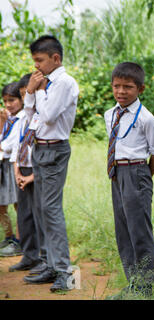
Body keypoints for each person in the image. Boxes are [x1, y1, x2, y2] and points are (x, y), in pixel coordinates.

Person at [22, 35, 79, 292]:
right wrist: (33, 93)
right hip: (40, 148)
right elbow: (29, 113)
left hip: (54, 150)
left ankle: (65, 272)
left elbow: (47, 116)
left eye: (40, 61)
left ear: (55, 58)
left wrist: (38, 90)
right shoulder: (47, 82)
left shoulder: (64, 83)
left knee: (52, 210)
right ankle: (50, 263)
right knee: (41, 208)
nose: (36, 67)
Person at [105, 62, 154, 298]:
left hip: (137, 172)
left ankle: (146, 284)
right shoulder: (110, 114)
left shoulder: (147, 119)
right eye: (117, 86)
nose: (121, 91)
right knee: (123, 229)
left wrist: (144, 176)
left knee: (139, 230)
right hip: (116, 173)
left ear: (141, 88)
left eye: (127, 87)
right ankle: (133, 281)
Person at [8, 73, 48, 273]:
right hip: (21, 169)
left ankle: (43, 258)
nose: (25, 99)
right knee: (24, 215)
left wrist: (32, 176)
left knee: (39, 214)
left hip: (35, 170)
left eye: (28, 94)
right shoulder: (22, 118)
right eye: (23, 95)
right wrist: (17, 172)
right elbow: (17, 146)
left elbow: (43, 151)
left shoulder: (42, 117)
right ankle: (29, 256)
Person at [0, 82, 23, 257]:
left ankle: (20, 240)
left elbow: (10, 145)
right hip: (3, 164)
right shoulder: (8, 119)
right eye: (5, 100)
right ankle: (9, 236)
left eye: (12, 100)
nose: (8, 104)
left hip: (13, 164)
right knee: (2, 204)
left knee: (18, 203)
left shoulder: (22, 119)